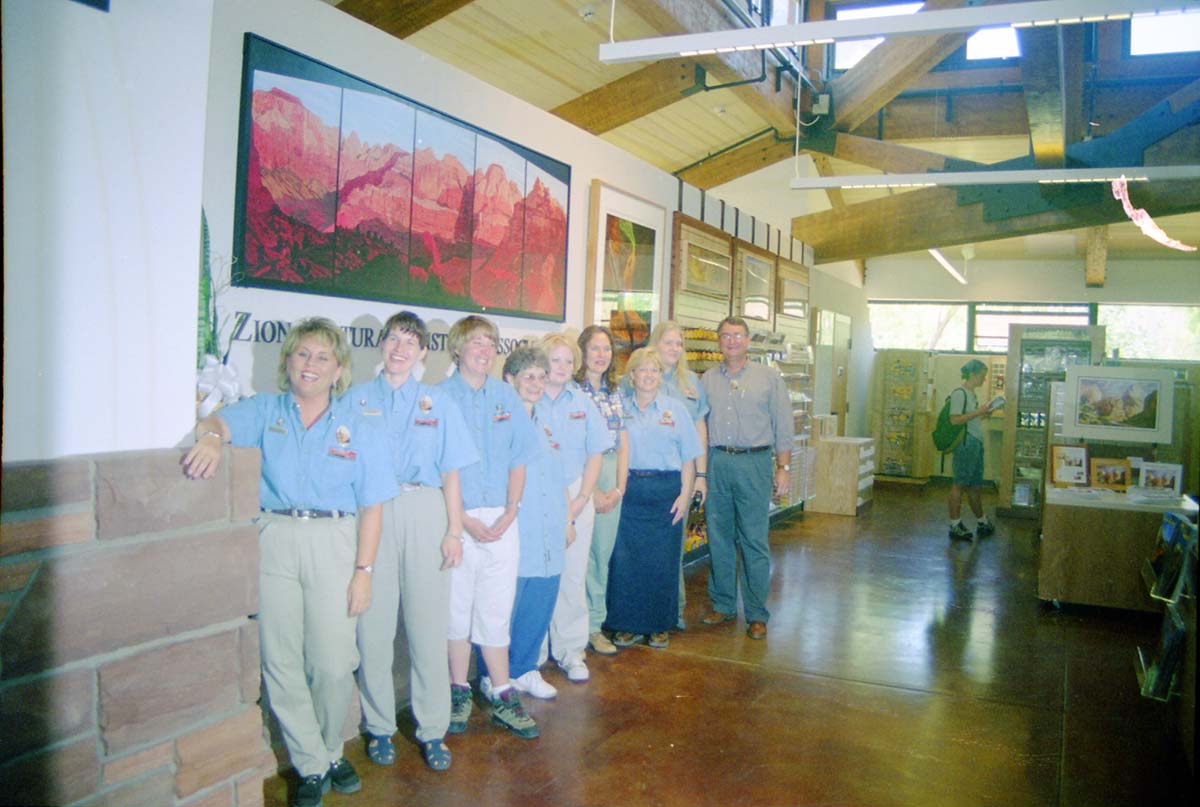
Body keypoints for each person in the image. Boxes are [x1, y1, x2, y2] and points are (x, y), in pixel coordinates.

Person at [182, 317, 395, 807]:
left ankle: (327, 748)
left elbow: (373, 508)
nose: (310, 364)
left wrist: (364, 573)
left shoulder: (359, 427)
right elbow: (215, 422)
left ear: (338, 369)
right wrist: (211, 437)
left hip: (335, 541)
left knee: (334, 663)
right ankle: (313, 763)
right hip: (275, 537)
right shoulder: (266, 410)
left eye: (322, 357)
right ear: (288, 362)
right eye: (302, 354)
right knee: (280, 658)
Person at [349, 311, 477, 772]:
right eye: (393, 339)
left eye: (410, 342)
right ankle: (380, 726)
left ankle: (433, 728)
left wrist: (454, 530)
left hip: (426, 509)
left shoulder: (437, 402)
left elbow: (451, 472)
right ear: (380, 344)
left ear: (423, 351)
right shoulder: (355, 399)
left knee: (427, 627)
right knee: (373, 628)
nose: (400, 349)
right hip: (373, 513)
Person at [439, 315, 541, 739]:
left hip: (502, 519)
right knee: (456, 610)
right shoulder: (438, 397)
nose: (484, 350)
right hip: (455, 521)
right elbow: (437, 467)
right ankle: (458, 691)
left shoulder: (505, 396)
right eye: (475, 342)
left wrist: (511, 511)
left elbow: (520, 457)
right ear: (457, 348)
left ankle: (502, 693)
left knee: (496, 610)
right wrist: (462, 521)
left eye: (490, 343)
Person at [479, 346, 574, 700]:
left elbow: (560, 475)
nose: (536, 384)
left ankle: (524, 668)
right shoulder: (499, 421)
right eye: (528, 377)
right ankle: (493, 675)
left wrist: (567, 519)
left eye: (541, 377)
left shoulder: (548, 421)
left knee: (540, 602)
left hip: (549, 530)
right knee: (504, 607)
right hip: (517, 528)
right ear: (509, 379)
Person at [700, 315, 793, 641]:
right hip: (717, 461)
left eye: (738, 335)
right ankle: (723, 603)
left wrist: (783, 468)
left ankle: (756, 613)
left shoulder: (769, 378)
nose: (732, 341)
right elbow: (699, 425)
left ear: (748, 340)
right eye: (726, 336)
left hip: (755, 463)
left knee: (754, 539)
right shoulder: (707, 379)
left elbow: (783, 424)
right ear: (719, 341)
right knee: (719, 536)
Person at [607, 348, 700, 649]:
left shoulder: (676, 410)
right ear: (632, 375)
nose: (648, 375)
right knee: (625, 561)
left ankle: (660, 625)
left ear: (661, 376)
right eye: (642, 370)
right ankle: (626, 624)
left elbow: (688, 458)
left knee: (663, 562)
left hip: (666, 493)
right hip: (630, 490)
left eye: (654, 370)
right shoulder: (620, 409)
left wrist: (684, 495)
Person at [535, 332, 611, 683]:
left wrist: (582, 498)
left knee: (573, 575)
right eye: (555, 360)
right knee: (536, 576)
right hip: (536, 496)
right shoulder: (527, 399)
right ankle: (533, 653)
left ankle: (571, 651)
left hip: (578, 493)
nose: (562, 366)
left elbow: (596, 453)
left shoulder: (583, 403)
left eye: (568, 361)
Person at [640, 321, 709, 629]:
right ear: (655, 343)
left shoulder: (691, 382)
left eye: (679, 343)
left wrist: (701, 476)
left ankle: (673, 610)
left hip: (680, 477)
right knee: (642, 548)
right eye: (668, 342)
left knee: (673, 547)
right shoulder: (640, 375)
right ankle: (640, 612)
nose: (674, 348)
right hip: (642, 479)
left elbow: (699, 429)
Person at [576, 325, 630, 657]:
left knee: (601, 557)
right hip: (582, 475)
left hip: (611, 473)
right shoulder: (572, 391)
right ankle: (573, 630)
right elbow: (571, 446)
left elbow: (623, 442)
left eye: (606, 349)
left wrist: (619, 488)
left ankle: (594, 626)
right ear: (582, 352)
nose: (601, 355)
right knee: (578, 558)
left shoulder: (615, 391)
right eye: (595, 348)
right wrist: (592, 490)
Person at [947, 359, 1000, 540]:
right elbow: (954, 419)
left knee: (975, 485)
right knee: (959, 484)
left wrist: (984, 414)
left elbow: (970, 419)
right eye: (982, 376)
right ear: (972, 374)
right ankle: (955, 524)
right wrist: (979, 412)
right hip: (966, 443)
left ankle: (981, 521)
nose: (984, 379)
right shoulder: (959, 393)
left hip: (975, 442)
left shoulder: (971, 394)